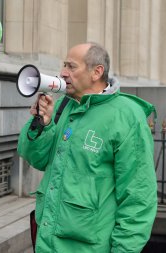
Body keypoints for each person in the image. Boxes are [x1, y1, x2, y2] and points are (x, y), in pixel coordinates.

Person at [17, 42, 157, 253]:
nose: (63, 73)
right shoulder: (66, 105)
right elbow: (35, 159)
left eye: (71, 67)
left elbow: (138, 196)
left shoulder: (127, 117)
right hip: (48, 243)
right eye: (63, 65)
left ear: (96, 72)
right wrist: (42, 124)